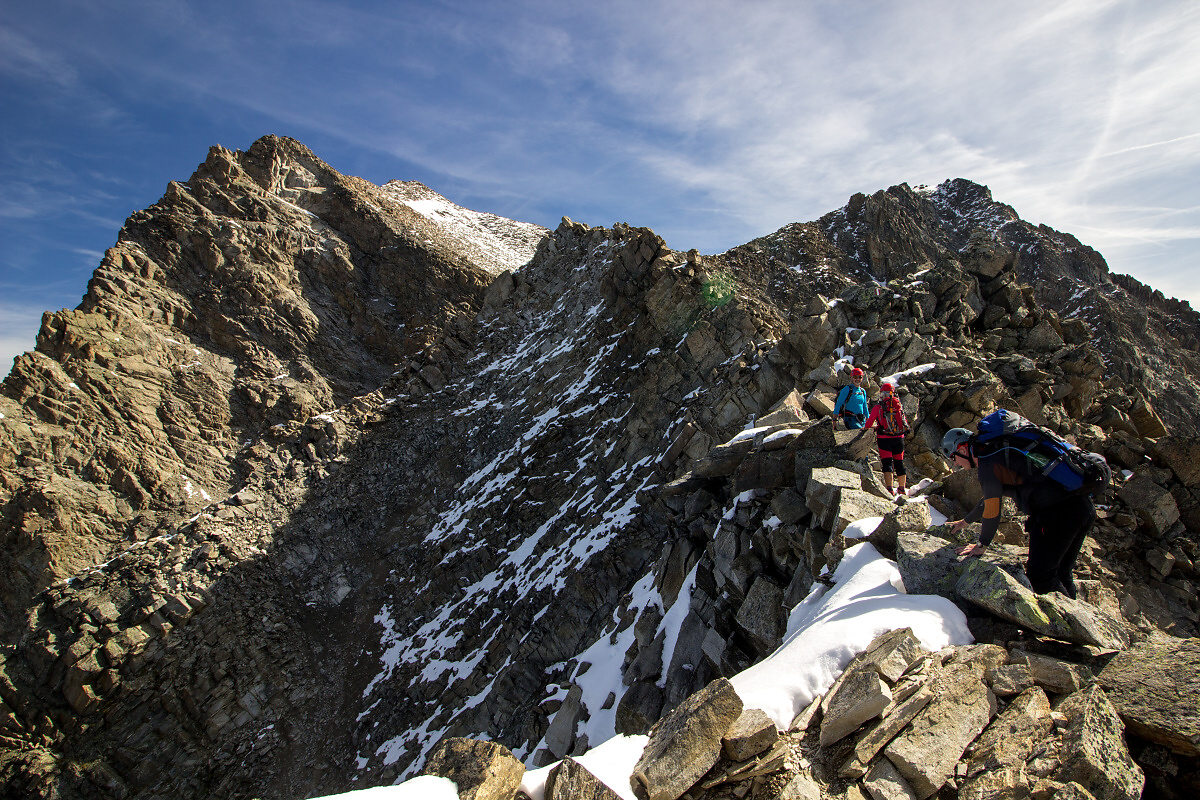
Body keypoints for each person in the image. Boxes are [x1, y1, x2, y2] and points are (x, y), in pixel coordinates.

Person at [940, 427, 1095, 598]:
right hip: (1082, 506)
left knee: (1040, 579)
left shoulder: (988, 462)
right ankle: (1077, 619)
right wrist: (965, 522)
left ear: (962, 449)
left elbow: (993, 509)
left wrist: (981, 545)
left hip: (1058, 516)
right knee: (1061, 572)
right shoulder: (998, 452)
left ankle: (1067, 623)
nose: (955, 463)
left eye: (953, 458)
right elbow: (989, 501)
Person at [864, 382, 909, 497]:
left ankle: (889, 489)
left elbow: (868, 424)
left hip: (884, 438)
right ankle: (902, 489)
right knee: (899, 463)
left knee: (887, 463)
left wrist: (875, 426)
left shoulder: (878, 407)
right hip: (899, 438)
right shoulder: (898, 406)